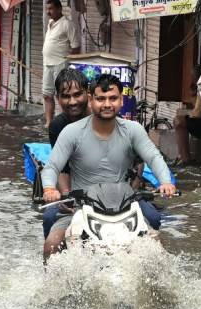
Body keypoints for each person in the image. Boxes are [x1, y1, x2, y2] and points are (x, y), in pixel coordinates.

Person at [41, 74, 176, 262]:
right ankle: (51, 290)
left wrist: (166, 182)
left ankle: (160, 290)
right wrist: (49, 189)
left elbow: (153, 157)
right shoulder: (71, 132)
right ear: (90, 100)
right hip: (81, 207)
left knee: (157, 247)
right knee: (51, 245)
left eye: (113, 98)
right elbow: (52, 167)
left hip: (126, 206)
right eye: (100, 99)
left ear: (121, 100)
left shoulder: (133, 129)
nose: (107, 104)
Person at [42, 68, 90, 239]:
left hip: (110, 191)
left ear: (88, 93)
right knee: (49, 218)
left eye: (78, 95)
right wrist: (67, 196)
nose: (72, 101)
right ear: (57, 99)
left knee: (151, 218)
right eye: (66, 96)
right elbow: (62, 168)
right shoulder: (57, 126)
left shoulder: (105, 118)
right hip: (75, 190)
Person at [42, 0, 80, 129]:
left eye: (51, 9)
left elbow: (76, 46)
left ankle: (62, 123)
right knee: (47, 94)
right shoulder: (50, 23)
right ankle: (49, 122)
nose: (48, 12)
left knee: (62, 95)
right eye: (47, 9)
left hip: (61, 63)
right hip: (47, 64)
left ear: (59, 9)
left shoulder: (67, 24)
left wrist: (71, 63)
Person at [173, 60, 201, 165]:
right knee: (177, 121)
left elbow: (198, 113)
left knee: (179, 121)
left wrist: (190, 115)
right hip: (200, 120)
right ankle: (181, 156)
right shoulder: (197, 88)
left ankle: (186, 158)